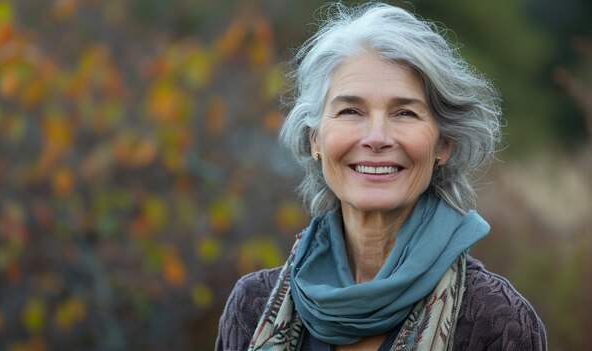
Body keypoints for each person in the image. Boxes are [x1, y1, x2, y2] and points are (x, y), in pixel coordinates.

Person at [216, 3, 547, 351]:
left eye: (404, 112)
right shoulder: (252, 307)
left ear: (444, 143)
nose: (376, 137)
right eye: (350, 111)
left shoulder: (495, 321)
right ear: (315, 139)